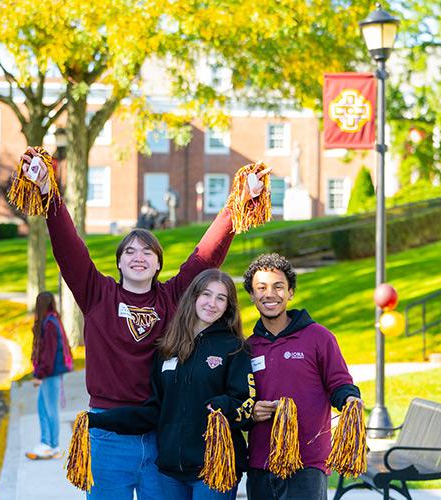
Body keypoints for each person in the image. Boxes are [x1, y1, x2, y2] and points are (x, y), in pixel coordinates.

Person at [18, 147, 269, 499]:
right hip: (108, 435)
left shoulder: (172, 298)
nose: (139, 257)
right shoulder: (97, 294)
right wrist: (48, 191)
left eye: (147, 252)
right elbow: (68, 248)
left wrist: (239, 201)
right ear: (119, 263)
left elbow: (205, 255)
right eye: (130, 252)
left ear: (158, 265)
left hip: (159, 436)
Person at [87, 269, 255, 500]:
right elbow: (154, 411)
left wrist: (223, 405)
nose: (212, 303)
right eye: (206, 294)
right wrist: (99, 420)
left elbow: (246, 406)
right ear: (193, 297)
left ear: (229, 306)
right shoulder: (168, 349)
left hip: (214, 469)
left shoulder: (235, 348)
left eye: (221, 298)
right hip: (170, 471)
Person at [242, 253, 362, 500]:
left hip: (307, 461)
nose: (270, 294)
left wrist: (350, 400)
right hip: (259, 462)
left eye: (278, 286)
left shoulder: (318, 337)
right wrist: (251, 413)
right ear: (252, 295)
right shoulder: (247, 347)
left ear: (291, 292)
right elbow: (240, 398)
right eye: (261, 288)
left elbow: (339, 383)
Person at [25, 291, 73, 460]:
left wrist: (39, 373)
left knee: (50, 409)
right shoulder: (50, 321)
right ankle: (46, 442)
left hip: (50, 373)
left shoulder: (50, 324)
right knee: (42, 408)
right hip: (49, 373)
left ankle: (53, 446)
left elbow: (49, 354)